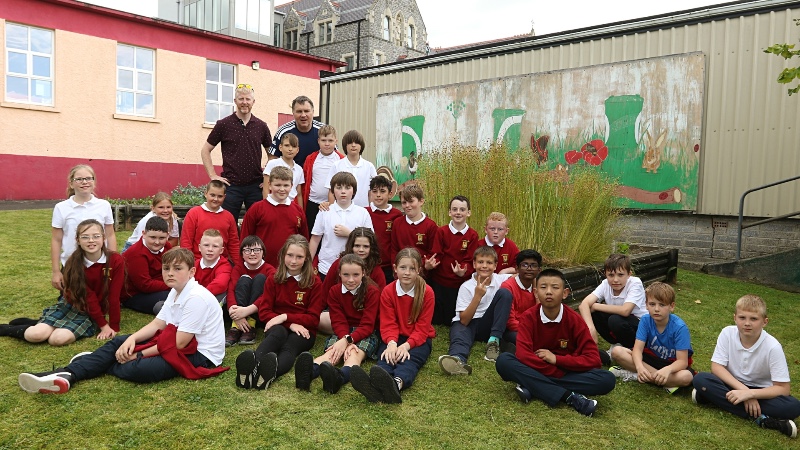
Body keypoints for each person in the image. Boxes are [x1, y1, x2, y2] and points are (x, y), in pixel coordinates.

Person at [17, 248, 228, 394]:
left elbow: (179, 344)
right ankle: (65, 375)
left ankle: (95, 363)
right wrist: (132, 340)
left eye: (177, 269)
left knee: (136, 369)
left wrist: (138, 353)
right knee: (119, 343)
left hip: (201, 354)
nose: (170, 273)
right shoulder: (176, 291)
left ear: (191, 272)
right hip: (177, 342)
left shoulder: (196, 297)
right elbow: (157, 325)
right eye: (166, 268)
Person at [495, 269, 616, 417]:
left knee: (607, 379)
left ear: (565, 293)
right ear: (535, 292)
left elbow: (593, 359)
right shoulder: (528, 317)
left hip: (557, 370)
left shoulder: (574, 320)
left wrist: (557, 359)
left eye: (555, 287)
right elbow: (523, 355)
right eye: (543, 287)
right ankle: (569, 396)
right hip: (544, 368)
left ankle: (531, 386)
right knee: (504, 361)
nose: (549, 292)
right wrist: (557, 372)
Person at [1, 219, 124, 346]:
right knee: (36, 335)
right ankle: (8, 329)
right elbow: (88, 297)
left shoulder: (115, 260)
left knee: (57, 340)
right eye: (85, 237)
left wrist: (113, 326)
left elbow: (114, 296)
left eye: (96, 236)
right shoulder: (73, 262)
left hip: (90, 313)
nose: (91, 241)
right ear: (78, 240)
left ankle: (39, 323)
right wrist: (103, 325)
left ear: (103, 238)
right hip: (73, 305)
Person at [692, 295, 800, 438]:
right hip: (732, 385)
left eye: (754, 319)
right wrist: (743, 391)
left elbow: (783, 389)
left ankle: (710, 398)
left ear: (764, 322)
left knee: (793, 406)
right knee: (700, 379)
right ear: (735, 318)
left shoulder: (773, 347)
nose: (747, 323)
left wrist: (751, 394)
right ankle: (764, 420)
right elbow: (717, 367)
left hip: (761, 393)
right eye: (742, 318)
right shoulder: (727, 333)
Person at [233, 235, 324, 390]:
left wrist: (285, 317)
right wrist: (289, 323)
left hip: (304, 330)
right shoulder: (274, 279)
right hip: (278, 325)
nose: (293, 261)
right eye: (290, 255)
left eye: (299, 257)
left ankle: (268, 374)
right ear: (283, 255)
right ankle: (249, 369)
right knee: (277, 335)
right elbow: (265, 312)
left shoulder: (314, 282)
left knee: (290, 347)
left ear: (307, 259)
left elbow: (313, 319)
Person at [350, 248, 435, 404]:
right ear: (395, 269)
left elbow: (422, 328)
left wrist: (406, 346)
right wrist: (391, 344)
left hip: (418, 340)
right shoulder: (388, 291)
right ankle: (375, 385)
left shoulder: (426, 292)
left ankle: (396, 385)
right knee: (385, 358)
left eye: (412, 269)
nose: (407, 272)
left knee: (409, 361)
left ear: (419, 271)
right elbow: (388, 323)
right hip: (393, 337)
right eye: (403, 267)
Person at [294, 254, 381, 394]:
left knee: (353, 354)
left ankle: (338, 378)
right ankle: (309, 373)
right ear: (339, 273)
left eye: (356, 274)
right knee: (332, 353)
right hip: (343, 332)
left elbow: (367, 325)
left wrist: (347, 341)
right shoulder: (334, 291)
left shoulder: (372, 292)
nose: (351, 279)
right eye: (346, 275)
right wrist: (343, 339)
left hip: (366, 332)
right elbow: (338, 321)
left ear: (363, 273)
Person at [201, 84, 272, 220]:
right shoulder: (224, 124)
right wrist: (212, 175)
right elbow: (205, 150)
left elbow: (272, 155)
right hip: (231, 185)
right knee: (227, 223)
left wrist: (267, 178)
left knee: (258, 223)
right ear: (235, 101)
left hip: (255, 185)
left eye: (248, 99)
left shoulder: (261, 126)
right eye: (241, 99)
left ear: (253, 102)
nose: (244, 102)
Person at [608, 282, 695, 393]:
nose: (656, 309)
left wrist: (667, 370)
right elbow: (637, 350)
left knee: (686, 377)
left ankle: (638, 375)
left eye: (662, 305)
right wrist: (640, 367)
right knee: (617, 351)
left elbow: (682, 362)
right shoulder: (645, 320)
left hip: (670, 364)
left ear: (671, 306)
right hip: (650, 358)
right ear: (646, 305)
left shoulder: (679, 327)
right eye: (652, 304)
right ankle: (665, 382)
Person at [438, 246, 512, 374]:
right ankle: (457, 360)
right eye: (480, 262)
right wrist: (477, 295)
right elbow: (464, 320)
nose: (484, 266)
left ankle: (493, 343)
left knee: (505, 293)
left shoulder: (502, 279)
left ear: (495, 266)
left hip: (489, 325)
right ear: (474, 264)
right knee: (460, 332)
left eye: (489, 263)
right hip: (469, 322)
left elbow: (524, 276)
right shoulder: (466, 286)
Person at [51, 164, 116, 291]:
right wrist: (56, 271)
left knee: (99, 303)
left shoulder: (104, 205)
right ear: (71, 183)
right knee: (73, 305)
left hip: (99, 263)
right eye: (79, 179)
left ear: (94, 181)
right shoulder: (61, 208)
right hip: (72, 265)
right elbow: (56, 240)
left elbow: (110, 235)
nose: (84, 182)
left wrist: (113, 262)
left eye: (88, 178)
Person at [578, 253, 646, 365]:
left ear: (629, 274)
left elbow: (625, 310)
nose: (615, 280)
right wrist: (590, 328)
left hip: (641, 328)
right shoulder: (605, 284)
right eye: (611, 275)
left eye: (620, 275)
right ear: (605, 274)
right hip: (622, 324)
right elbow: (583, 304)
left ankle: (632, 349)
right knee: (595, 314)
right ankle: (617, 345)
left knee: (614, 319)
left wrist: (595, 305)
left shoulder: (635, 283)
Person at [318, 227, 387, 334]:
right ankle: (346, 331)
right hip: (340, 315)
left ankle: (358, 332)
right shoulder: (338, 264)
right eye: (357, 246)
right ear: (351, 246)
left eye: (366, 246)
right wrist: (314, 314)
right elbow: (324, 293)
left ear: (371, 248)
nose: (361, 250)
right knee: (320, 319)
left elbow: (380, 304)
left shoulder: (377, 271)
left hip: (364, 317)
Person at [426, 195, 480, 325]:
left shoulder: (472, 235)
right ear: (449, 212)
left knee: (454, 318)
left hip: (460, 283)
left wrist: (463, 271)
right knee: (438, 319)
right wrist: (430, 264)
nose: (458, 212)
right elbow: (436, 253)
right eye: (455, 209)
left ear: (468, 213)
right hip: (440, 280)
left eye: (462, 209)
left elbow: (470, 260)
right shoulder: (442, 232)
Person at [309, 172, 373, 279]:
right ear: (333, 190)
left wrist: (350, 234)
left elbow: (370, 240)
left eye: (347, 188)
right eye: (339, 187)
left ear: (354, 191)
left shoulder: (362, 213)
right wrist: (308, 264)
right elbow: (315, 239)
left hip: (354, 270)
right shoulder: (325, 211)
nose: (343, 191)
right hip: (326, 267)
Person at [241, 166, 309, 267]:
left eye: (286, 185)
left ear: (291, 186)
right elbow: (245, 238)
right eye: (277, 185)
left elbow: (304, 240)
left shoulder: (298, 210)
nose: (282, 189)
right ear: (269, 185)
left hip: (289, 267)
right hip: (261, 267)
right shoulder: (257, 209)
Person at [225, 235, 276, 347]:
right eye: (247, 250)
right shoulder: (238, 268)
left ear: (263, 252)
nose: (252, 253)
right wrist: (234, 312)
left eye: (256, 250)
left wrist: (247, 311)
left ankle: (250, 325)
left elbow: (268, 295)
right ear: (242, 254)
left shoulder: (270, 270)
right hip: (238, 310)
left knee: (260, 279)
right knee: (244, 279)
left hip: (258, 311)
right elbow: (231, 290)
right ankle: (236, 326)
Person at [181, 180, 241, 266]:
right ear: (206, 194)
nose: (215, 199)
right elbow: (186, 241)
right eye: (212, 195)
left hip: (222, 263)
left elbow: (233, 244)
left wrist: (238, 266)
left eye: (220, 196)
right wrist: (189, 264)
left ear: (224, 197)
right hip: (197, 262)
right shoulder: (194, 213)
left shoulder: (229, 217)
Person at [122, 216, 172, 315]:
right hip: (134, 294)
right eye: (153, 237)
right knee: (171, 295)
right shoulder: (136, 254)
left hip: (160, 286)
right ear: (144, 234)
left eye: (162, 238)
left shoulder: (167, 246)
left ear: (167, 236)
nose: (157, 242)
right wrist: (172, 285)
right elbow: (144, 285)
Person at [302, 125, 344, 233]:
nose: (327, 144)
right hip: (313, 203)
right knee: (312, 234)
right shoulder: (311, 158)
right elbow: (305, 181)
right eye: (323, 140)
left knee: (330, 233)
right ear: (318, 141)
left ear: (336, 141)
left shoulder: (341, 160)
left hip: (333, 205)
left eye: (330, 140)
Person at [499, 249, 542, 353]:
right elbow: (510, 322)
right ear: (517, 269)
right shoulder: (508, 286)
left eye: (533, 265)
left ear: (539, 270)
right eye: (525, 265)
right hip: (512, 330)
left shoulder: (541, 287)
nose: (529, 269)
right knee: (529, 341)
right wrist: (530, 330)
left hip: (532, 328)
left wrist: (537, 298)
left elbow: (542, 314)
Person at [323, 130, 376, 208]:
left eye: (356, 143)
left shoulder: (369, 166)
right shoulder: (337, 165)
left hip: (363, 210)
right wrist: (332, 210)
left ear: (361, 146)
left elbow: (372, 191)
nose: (353, 145)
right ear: (345, 146)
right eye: (350, 143)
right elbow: (331, 191)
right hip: (341, 210)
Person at [389, 183, 437, 268]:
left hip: (422, 274)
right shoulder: (397, 223)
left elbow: (433, 253)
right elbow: (394, 250)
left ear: (421, 201)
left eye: (411, 201)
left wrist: (423, 266)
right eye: (404, 202)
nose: (407, 205)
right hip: (402, 273)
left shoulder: (431, 226)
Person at [271, 95, 325, 168]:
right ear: (293, 113)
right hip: (290, 176)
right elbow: (273, 158)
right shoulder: (283, 131)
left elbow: (335, 155)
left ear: (313, 112)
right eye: (299, 111)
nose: (303, 115)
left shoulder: (323, 131)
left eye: (306, 111)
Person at [366, 175, 402, 283]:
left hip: (389, 267)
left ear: (390, 194)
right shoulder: (364, 212)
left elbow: (397, 242)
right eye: (375, 191)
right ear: (370, 193)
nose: (378, 195)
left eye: (382, 191)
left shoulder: (397, 215)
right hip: (368, 265)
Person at [263, 133, 304, 209]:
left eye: (293, 146)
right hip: (273, 204)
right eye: (287, 145)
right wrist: (266, 208)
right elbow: (266, 188)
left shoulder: (299, 169)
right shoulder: (272, 164)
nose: (290, 149)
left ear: (297, 150)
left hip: (291, 206)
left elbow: (299, 194)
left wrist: (300, 212)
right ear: (280, 147)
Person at [193, 229, 232, 305]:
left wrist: (198, 297)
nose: (210, 249)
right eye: (206, 245)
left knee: (221, 294)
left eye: (215, 246)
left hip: (211, 303)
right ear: (199, 248)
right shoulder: (194, 265)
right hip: (193, 300)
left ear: (221, 250)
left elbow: (220, 285)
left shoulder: (224, 265)